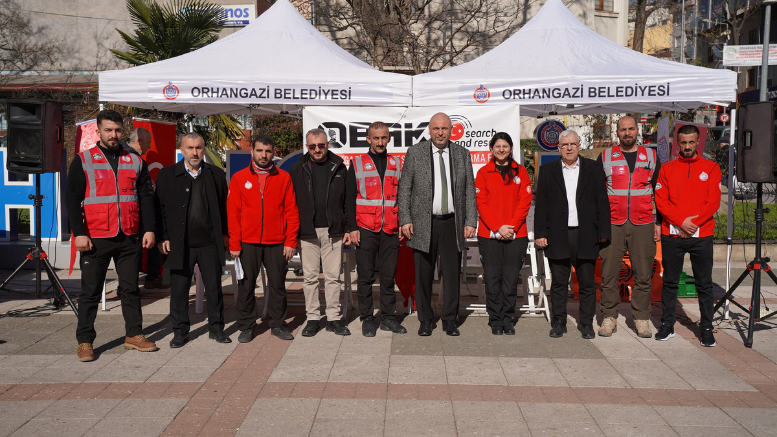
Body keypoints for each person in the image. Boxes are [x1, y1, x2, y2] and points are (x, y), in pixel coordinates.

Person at [65, 109, 157, 362]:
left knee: (130, 289)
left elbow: (146, 197)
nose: (113, 134)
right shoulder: (83, 160)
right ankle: (85, 341)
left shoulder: (136, 160)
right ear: (98, 130)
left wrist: (149, 228)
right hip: (95, 237)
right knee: (91, 291)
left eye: (117, 130)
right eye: (108, 130)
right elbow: (72, 200)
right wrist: (79, 234)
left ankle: (134, 335)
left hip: (129, 235)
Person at [397, 112, 477, 337]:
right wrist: (405, 218)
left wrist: (470, 220)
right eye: (436, 129)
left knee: (452, 275)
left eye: (444, 129)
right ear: (429, 130)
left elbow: (469, 190)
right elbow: (404, 189)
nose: (440, 133)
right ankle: (425, 320)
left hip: (452, 223)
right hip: (423, 224)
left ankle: (450, 320)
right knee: (423, 275)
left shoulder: (462, 154)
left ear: (451, 130)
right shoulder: (415, 153)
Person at [156, 132, 230, 348]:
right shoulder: (167, 175)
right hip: (180, 244)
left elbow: (223, 208)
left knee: (215, 288)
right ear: (182, 149)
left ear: (203, 149)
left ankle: (217, 329)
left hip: (209, 243)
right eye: (190, 148)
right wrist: (163, 238)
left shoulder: (216, 174)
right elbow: (159, 208)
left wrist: (225, 235)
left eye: (198, 147)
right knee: (179, 290)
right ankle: (180, 331)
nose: (195, 152)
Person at [534, 130, 611, 339]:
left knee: (586, 283)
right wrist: (540, 233)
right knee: (558, 283)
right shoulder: (548, 170)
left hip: (586, 234)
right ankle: (559, 321)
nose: (569, 148)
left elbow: (601, 202)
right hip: (557, 235)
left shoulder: (593, 168)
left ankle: (586, 323)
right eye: (565, 145)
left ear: (579, 146)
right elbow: (541, 205)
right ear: (558, 148)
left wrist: (603, 232)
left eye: (573, 144)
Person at [228, 135, 299, 343]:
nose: (263, 155)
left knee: (277, 285)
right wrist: (234, 243)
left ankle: (278, 324)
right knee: (246, 285)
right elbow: (233, 214)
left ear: (274, 152)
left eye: (268, 151)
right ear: (252, 152)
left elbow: (291, 212)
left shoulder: (284, 177)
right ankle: (247, 326)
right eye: (259, 150)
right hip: (247, 242)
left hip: (277, 242)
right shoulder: (239, 178)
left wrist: (290, 241)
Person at [654, 124, 721, 347]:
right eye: (683, 142)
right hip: (672, 235)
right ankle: (667, 325)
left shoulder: (711, 168)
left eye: (691, 142)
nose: (687, 146)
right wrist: (681, 222)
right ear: (677, 143)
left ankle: (706, 328)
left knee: (704, 284)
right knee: (670, 283)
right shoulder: (666, 168)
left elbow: (713, 201)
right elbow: (661, 201)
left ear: (698, 142)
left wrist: (693, 224)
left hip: (701, 236)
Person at [597, 115, 662, 338]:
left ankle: (642, 319)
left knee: (643, 275)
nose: (627, 133)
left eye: (631, 129)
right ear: (617, 133)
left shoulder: (651, 156)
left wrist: (659, 222)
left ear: (638, 131)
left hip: (643, 222)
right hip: (613, 223)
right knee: (609, 274)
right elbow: (597, 194)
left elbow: (659, 191)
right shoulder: (605, 156)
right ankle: (609, 316)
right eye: (623, 129)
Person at [346, 121, 407, 337]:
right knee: (365, 278)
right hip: (365, 229)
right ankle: (367, 319)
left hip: (391, 228)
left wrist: (403, 222)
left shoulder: (398, 164)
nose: (380, 142)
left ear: (389, 138)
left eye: (384, 138)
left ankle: (389, 318)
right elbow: (349, 198)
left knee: (389, 277)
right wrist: (352, 228)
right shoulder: (357, 163)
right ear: (368, 139)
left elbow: (404, 197)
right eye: (376, 138)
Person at [290, 129, 351, 337]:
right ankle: (313, 318)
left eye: (321, 145)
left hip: (333, 231)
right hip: (307, 231)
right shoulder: (297, 168)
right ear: (307, 146)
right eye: (312, 146)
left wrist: (347, 227)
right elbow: (290, 202)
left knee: (333, 277)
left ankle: (333, 318)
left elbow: (347, 201)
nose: (317, 149)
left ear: (328, 144)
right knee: (310, 278)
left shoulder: (340, 167)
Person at [475, 132, 532, 335]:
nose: (501, 150)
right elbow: (481, 204)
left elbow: (524, 202)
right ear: (491, 149)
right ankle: (495, 319)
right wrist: (498, 227)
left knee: (510, 279)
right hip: (490, 235)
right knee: (492, 278)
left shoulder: (521, 172)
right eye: (497, 146)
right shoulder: (483, 173)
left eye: (505, 146)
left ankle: (508, 318)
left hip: (516, 234)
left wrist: (511, 227)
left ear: (510, 148)